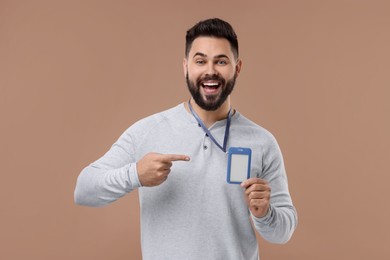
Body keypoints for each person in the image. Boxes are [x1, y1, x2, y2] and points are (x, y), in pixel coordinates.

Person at [74, 18, 297, 260]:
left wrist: (264, 213)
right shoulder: (148, 130)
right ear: (185, 67)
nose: (210, 71)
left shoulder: (262, 141)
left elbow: (282, 233)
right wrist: (135, 174)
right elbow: (84, 190)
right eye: (200, 61)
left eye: (221, 61)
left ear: (237, 67)